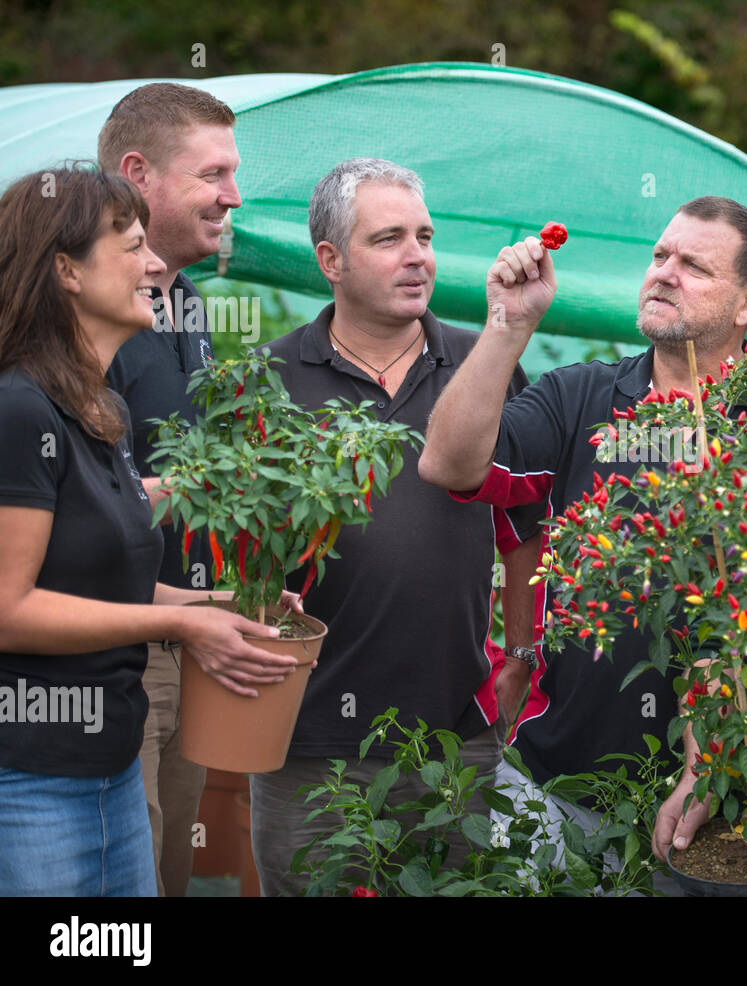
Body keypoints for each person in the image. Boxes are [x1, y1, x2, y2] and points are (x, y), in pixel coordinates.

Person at [418, 197, 747, 874]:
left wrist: (715, 765)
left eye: (693, 265)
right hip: (553, 780)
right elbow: (449, 462)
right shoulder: (581, 397)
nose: (664, 273)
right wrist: (507, 326)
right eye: (660, 256)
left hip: (720, 800)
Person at [0, 167, 298, 896]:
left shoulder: (99, 412)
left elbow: (102, 580)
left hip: (111, 770)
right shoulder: (19, 412)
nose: (156, 263)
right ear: (66, 270)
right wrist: (178, 623)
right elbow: (9, 608)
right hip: (30, 781)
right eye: (132, 246)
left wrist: (212, 607)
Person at [252, 158, 540, 895]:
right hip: (308, 740)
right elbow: (229, 548)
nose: (418, 256)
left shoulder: (486, 362)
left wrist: (519, 654)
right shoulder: (270, 381)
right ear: (331, 261)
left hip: (456, 734)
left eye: (425, 236)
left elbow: (526, 527)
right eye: (389, 239)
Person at [97, 82, 242, 897]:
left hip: (185, 637)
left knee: (167, 876)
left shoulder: (185, 302)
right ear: (137, 173)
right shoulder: (79, 312)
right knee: (120, 887)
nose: (233, 196)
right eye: (213, 173)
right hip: (112, 655)